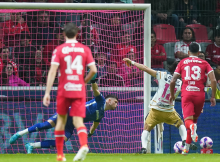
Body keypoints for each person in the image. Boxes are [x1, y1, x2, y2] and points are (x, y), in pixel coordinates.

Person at [9, 82, 118, 154]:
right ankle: (19, 133)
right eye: (116, 102)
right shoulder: (101, 100)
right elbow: (96, 90)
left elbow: (96, 123)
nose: (117, 104)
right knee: (46, 125)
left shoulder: (102, 114)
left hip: (72, 123)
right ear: (109, 101)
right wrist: (93, 80)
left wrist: (91, 132)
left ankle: (31, 145)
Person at [42, 23, 97, 161]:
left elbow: (53, 71)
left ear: (64, 34)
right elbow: (94, 70)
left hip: (64, 89)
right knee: (78, 121)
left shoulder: (59, 49)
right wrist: (84, 81)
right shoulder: (84, 49)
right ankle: (83, 145)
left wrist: (47, 92)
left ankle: (60, 155)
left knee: (61, 120)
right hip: (78, 89)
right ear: (77, 34)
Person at [122, 58, 197, 154]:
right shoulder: (182, 83)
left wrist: (132, 62)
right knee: (180, 124)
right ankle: (184, 140)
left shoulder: (162, 75)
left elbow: (145, 68)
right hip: (169, 111)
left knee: (146, 128)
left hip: (156, 110)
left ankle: (144, 148)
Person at [169, 42, 217, 155]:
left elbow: (173, 80)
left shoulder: (182, 62)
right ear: (199, 53)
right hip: (200, 95)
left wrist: (172, 95)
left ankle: (191, 128)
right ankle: (186, 149)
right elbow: (214, 80)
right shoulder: (204, 63)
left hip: (187, 94)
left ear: (188, 52)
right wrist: (213, 96)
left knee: (188, 122)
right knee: (193, 121)